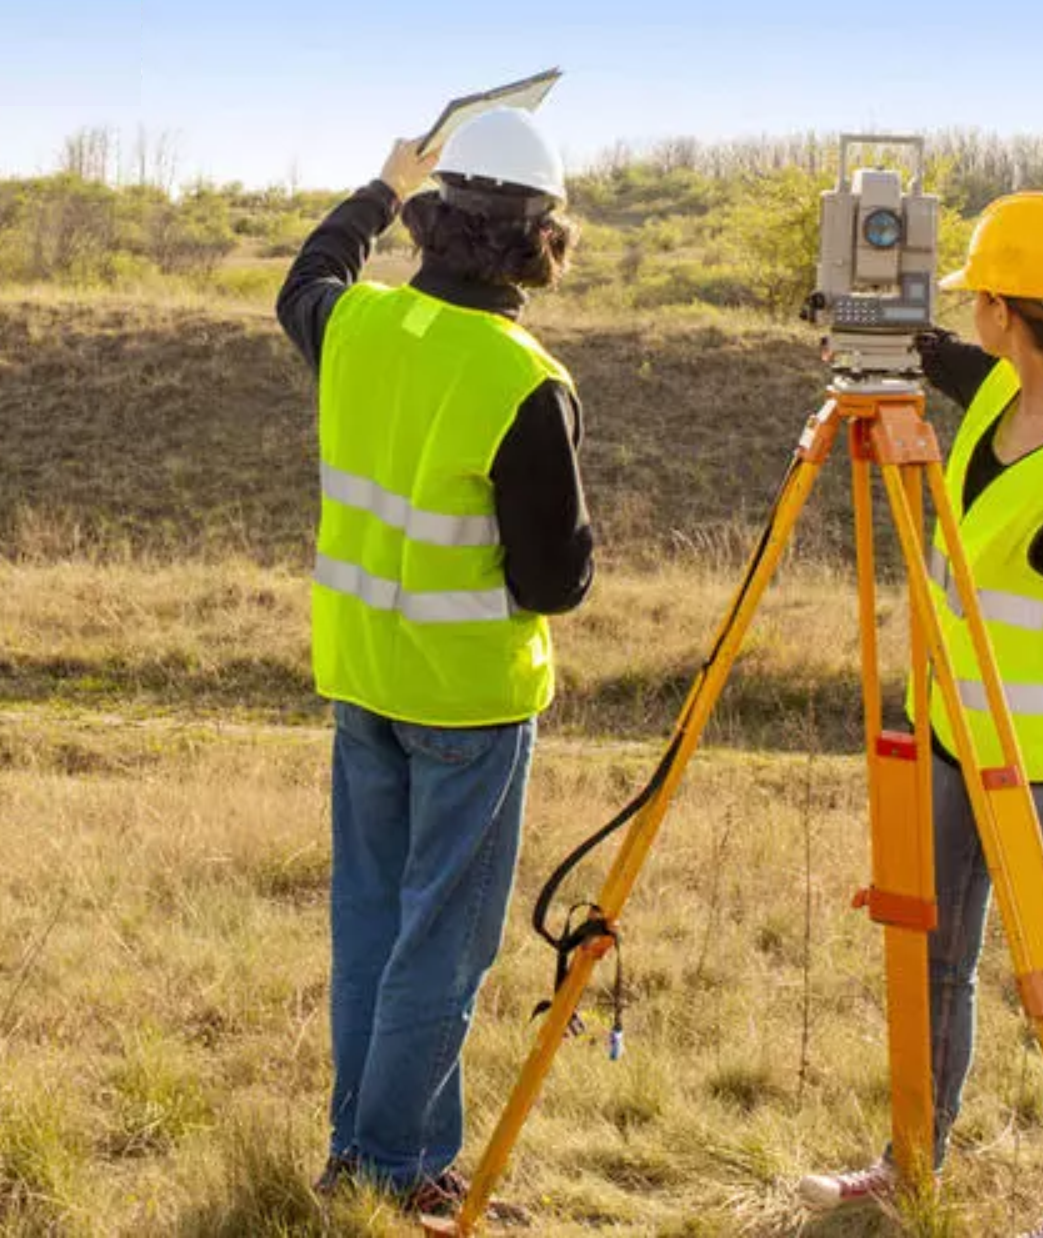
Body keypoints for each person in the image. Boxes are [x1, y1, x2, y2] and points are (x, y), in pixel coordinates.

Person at [797, 192, 1043, 1238]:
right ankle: (908, 1164)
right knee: (932, 960)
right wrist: (851, 312)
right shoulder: (990, 394)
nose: (964, 317)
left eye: (973, 297)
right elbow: (926, 351)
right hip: (948, 734)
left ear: (1001, 309)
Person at [274, 107, 593, 1219]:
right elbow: (553, 581)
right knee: (441, 946)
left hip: (361, 675)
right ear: (538, 240)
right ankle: (388, 1164)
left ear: (430, 216)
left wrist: (376, 184)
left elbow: (305, 277)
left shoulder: (355, 326)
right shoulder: (523, 379)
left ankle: (369, 1146)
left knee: (373, 923)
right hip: (466, 700)